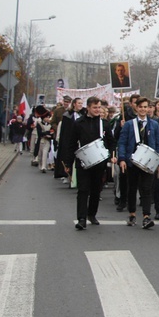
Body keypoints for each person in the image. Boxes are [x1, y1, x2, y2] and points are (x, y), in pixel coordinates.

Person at [61, 96, 117, 230]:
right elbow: (72, 143)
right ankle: (81, 218)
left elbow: (111, 141)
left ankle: (92, 214)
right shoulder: (79, 123)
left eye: (99, 107)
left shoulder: (104, 124)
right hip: (83, 162)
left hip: (99, 163)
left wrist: (111, 154)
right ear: (88, 108)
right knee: (83, 190)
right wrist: (68, 163)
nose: (97, 110)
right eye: (95, 107)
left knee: (96, 190)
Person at [118, 97, 159, 229]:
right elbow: (122, 142)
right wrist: (122, 159)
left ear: (149, 108)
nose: (143, 109)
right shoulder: (129, 124)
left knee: (147, 189)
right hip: (132, 162)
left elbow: (158, 145)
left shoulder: (153, 124)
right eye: (141, 107)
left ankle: (146, 216)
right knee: (132, 189)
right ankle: (132, 214)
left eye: (146, 107)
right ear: (136, 108)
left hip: (148, 162)